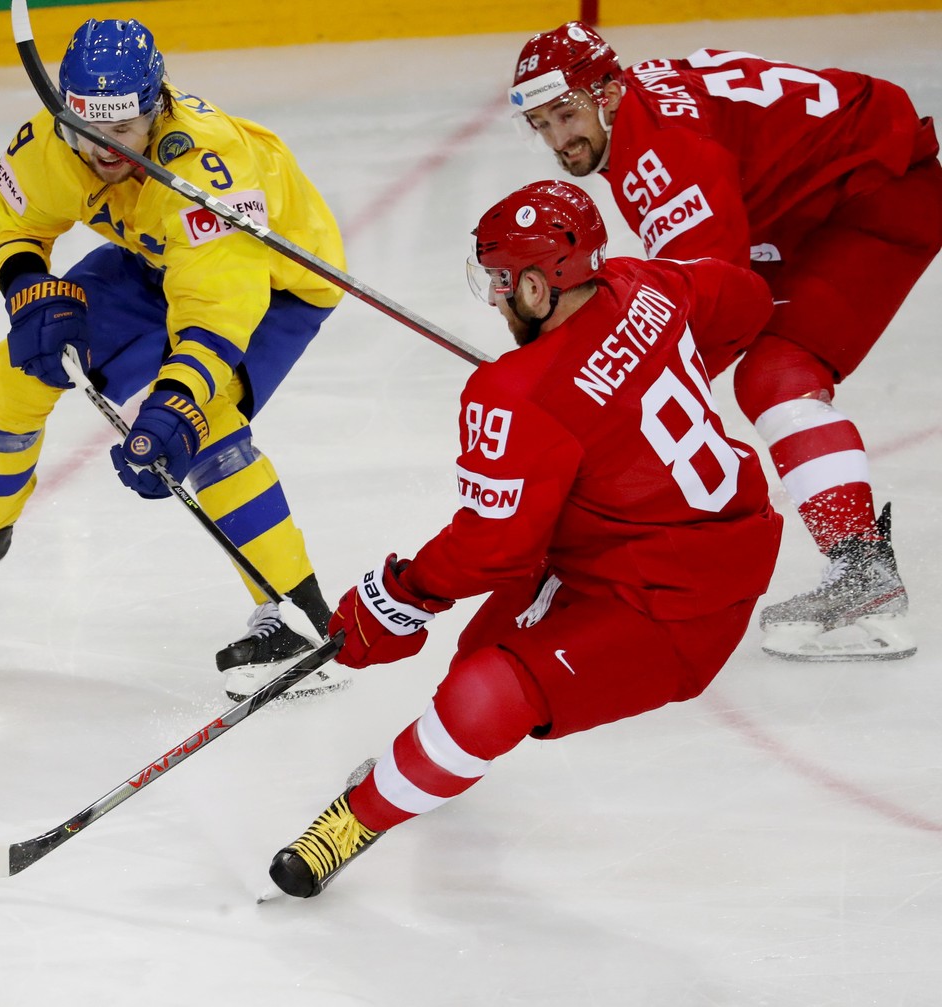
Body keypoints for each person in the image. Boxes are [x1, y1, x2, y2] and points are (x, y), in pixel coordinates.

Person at [267, 180, 783, 899]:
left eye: (501, 283)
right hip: (678, 545)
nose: (494, 300)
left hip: (674, 610)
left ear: (538, 287)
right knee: (482, 651)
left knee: (487, 693)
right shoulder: (642, 281)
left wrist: (397, 596)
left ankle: (358, 819)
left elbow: (493, 549)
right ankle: (426, 767)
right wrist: (634, 385)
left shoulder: (517, 394)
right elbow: (744, 301)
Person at [0, 17, 350, 700]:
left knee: (204, 427)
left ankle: (301, 620)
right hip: (151, 260)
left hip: (270, 284)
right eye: (82, 126)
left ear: (156, 108)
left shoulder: (205, 172)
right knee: (7, 374)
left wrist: (176, 398)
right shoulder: (57, 134)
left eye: (120, 132)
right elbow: (12, 227)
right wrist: (29, 289)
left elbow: (218, 309)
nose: (99, 149)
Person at [505, 21, 941, 661]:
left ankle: (862, 573)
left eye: (566, 114)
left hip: (873, 195)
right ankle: (860, 569)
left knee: (774, 374)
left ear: (609, 91)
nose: (559, 142)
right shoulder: (642, 115)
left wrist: (609, 404)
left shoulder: (660, 155)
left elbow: (710, 306)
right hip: (814, 199)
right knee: (744, 366)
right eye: (541, 125)